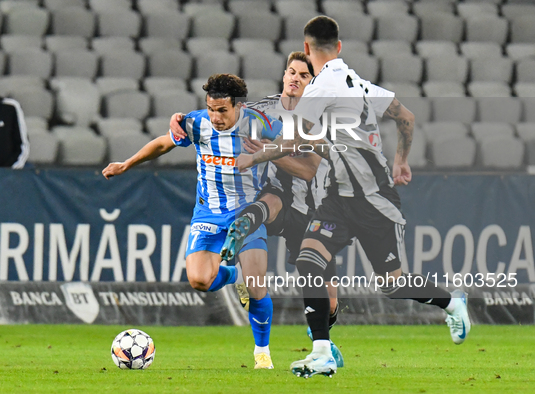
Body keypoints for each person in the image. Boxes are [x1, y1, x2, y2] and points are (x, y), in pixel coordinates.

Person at [237, 16, 471, 378]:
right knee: (309, 258)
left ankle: (452, 302)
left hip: (374, 199)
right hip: (339, 197)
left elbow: (291, 140)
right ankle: (321, 352)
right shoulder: (359, 83)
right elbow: (405, 117)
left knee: (392, 284)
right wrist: (401, 162)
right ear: (339, 47)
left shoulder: (320, 88)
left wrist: (255, 155)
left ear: (308, 47)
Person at [170, 52, 343, 368]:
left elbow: (307, 171)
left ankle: (324, 338)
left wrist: (267, 154)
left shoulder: (316, 121)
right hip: (268, 200)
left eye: (303, 76)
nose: (293, 78)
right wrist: (179, 119)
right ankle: (304, 346)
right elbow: (217, 115)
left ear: (313, 84)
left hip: (307, 208)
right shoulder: (263, 110)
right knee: (263, 207)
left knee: (329, 300)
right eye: (290, 71)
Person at [103, 73, 284, 369]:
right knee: (200, 280)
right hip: (209, 212)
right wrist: (128, 164)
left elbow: (295, 144)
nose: (215, 117)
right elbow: (164, 144)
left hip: (248, 213)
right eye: (211, 109)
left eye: (222, 111)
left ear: (238, 106)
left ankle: (262, 352)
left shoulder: (258, 123)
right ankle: (232, 275)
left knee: (257, 285)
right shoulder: (196, 123)